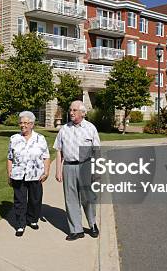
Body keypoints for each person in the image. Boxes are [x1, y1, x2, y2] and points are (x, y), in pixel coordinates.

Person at [54, 100, 101, 241]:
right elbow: (58, 150)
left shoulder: (91, 128)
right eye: (70, 110)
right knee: (71, 199)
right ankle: (76, 230)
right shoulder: (64, 129)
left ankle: (92, 224)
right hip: (68, 167)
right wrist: (58, 170)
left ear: (82, 113)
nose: (71, 112)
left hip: (86, 166)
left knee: (88, 198)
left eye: (74, 110)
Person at [7, 111, 51, 237]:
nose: (23, 125)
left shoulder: (40, 139)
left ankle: (32, 219)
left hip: (35, 174)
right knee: (19, 200)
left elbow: (46, 156)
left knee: (35, 199)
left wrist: (46, 172)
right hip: (18, 174)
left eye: (26, 123)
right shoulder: (14, 139)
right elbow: (10, 157)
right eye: (21, 123)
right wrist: (9, 173)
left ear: (32, 124)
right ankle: (20, 224)